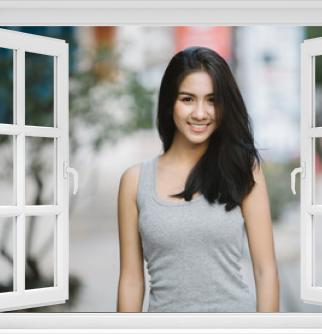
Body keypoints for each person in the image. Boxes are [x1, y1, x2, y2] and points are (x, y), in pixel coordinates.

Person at [116, 46, 279, 312]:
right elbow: (132, 282)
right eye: (188, 99)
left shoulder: (243, 171)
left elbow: (266, 271)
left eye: (212, 100)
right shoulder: (134, 182)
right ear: (170, 103)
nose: (201, 113)